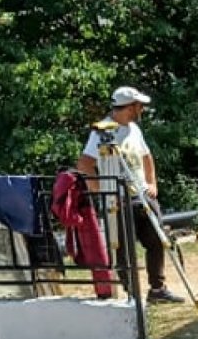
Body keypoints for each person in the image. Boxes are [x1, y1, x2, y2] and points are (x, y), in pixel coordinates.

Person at [76, 86, 185, 304]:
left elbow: (147, 157)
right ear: (130, 107)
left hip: (143, 196)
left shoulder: (134, 129)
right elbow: (84, 165)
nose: (142, 110)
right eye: (139, 106)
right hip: (119, 200)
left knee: (156, 241)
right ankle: (131, 294)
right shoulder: (102, 133)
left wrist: (152, 183)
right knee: (124, 249)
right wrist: (104, 192)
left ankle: (157, 288)